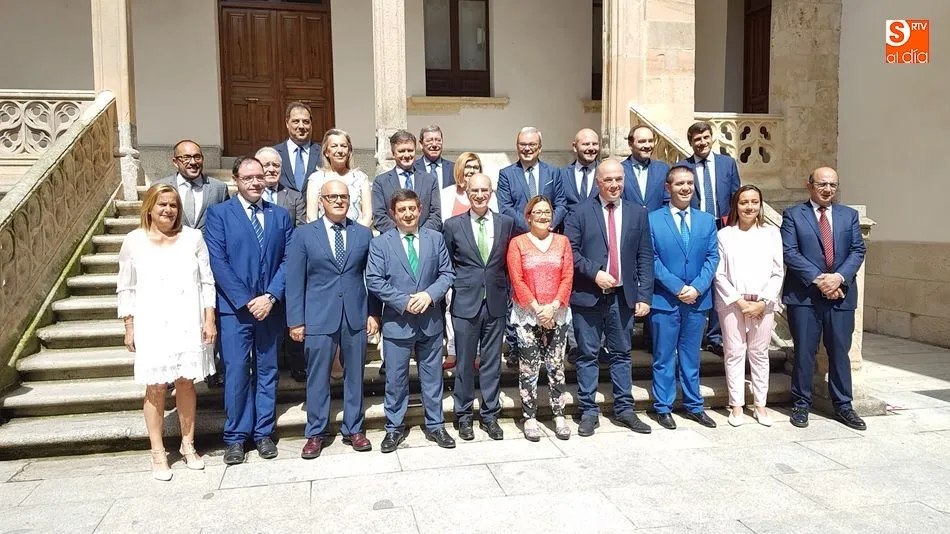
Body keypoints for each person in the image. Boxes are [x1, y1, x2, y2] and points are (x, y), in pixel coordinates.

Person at [117, 184, 216, 481]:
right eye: (162, 204)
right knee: (156, 386)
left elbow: (207, 282)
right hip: (152, 322)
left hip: (187, 320)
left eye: (173, 205)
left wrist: (209, 320)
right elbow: (126, 286)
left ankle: (188, 445)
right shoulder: (134, 241)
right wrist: (129, 326)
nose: (168, 210)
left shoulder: (193, 238)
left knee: (186, 383)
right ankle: (158, 451)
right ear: (149, 206)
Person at [205, 156, 294, 465]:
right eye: (248, 178)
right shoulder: (219, 214)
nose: (256, 182)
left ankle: (264, 432)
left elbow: (288, 259)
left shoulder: (280, 216)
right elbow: (218, 262)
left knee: (268, 370)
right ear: (236, 180)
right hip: (235, 311)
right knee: (238, 372)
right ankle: (236, 437)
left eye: (260, 177)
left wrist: (270, 296)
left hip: (270, 309)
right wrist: (246, 300)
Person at [286, 180, 381, 457]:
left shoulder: (363, 234)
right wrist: (296, 321)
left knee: (355, 376)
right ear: (321, 200)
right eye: (332, 196)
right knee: (317, 377)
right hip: (317, 316)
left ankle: (354, 428)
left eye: (344, 196)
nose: (339, 201)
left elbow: (372, 278)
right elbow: (294, 281)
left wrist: (374, 312)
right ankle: (315, 432)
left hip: (355, 316)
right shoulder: (304, 234)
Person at [564, 160, 654, 437]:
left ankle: (625, 409)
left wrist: (644, 295)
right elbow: (571, 252)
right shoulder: (579, 212)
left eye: (618, 179)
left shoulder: (638, 213)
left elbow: (645, 256)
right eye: (608, 180)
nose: (614, 185)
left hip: (623, 297)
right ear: (597, 182)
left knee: (621, 354)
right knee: (588, 354)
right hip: (588, 296)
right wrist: (594, 273)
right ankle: (588, 411)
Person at [366, 189, 456, 452]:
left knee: (432, 378)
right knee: (395, 379)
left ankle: (436, 425)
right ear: (393, 214)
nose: (408, 214)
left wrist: (429, 295)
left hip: (429, 322)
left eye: (412, 209)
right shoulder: (381, 243)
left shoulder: (435, 239)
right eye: (402, 210)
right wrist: (403, 301)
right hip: (398, 322)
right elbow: (374, 280)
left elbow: (447, 273)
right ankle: (393, 428)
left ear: (420, 210)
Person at [782, 167, 867, 431]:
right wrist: (821, 279)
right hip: (804, 296)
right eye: (822, 184)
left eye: (832, 184)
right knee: (805, 352)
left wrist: (838, 278)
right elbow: (790, 252)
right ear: (810, 186)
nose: (827, 189)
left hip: (840, 295)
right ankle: (801, 404)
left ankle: (843, 406)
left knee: (839, 352)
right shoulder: (794, 215)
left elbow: (857, 250)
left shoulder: (849, 216)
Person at [443, 174, 514, 441]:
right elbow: (447, 262)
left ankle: (490, 415)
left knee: (492, 363)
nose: (480, 194)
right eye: (475, 190)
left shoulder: (506, 223)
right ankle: (463, 416)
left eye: (485, 190)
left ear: (491, 192)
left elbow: (508, 261)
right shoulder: (452, 225)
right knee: (463, 363)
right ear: (467, 192)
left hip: (495, 303)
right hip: (465, 302)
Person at [649, 165, 720, 430]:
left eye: (690, 183)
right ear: (668, 188)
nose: (686, 188)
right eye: (679, 183)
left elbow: (713, 257)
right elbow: (651, 258)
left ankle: (694, 406)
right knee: (664, 356)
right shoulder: (653, 219)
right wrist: (678, 287)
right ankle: (663, 407)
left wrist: (698, 288)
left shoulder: (705, 220)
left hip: (697, 301)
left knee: (691, 356)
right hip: (665, 300)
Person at [713, 185, 784, 427]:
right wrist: (741, 302)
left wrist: (763, 302)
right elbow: (719, 274)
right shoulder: (725, 235)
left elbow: (777, 271)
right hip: (733, 301)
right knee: (734, 352)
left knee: (759, 353)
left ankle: (761, 405)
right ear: (736, 205)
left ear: (760, 205)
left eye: (754, 202)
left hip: (763, 302)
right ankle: (736, 405)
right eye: (744, 202)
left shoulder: (771, 234)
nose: (749, 207)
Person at [507, 196, 573, 441]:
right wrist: (538, 309)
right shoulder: (518, 243)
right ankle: (530, 416)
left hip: (557, 313)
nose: (543, 216)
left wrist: (553, 307)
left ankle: (559, 414)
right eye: (538, 212)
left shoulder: (562, 242)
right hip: (528, 314)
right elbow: (517, 279)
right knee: (529, 368)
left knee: (556, 366)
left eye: (547, 212)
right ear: (528, 216)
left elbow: (567, 277)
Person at [677, 121, 742, 356]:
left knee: (721, 278)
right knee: (696, 276)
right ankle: (692, 333)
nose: (702, 142)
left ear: (711, 137)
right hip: (693, 229)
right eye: (697, 140)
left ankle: (715, 336)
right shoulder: (682, 167)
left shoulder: (727, 164)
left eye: (705, 137)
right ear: (691, 143)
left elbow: (737, 195)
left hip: (722, 226)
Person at [440, 152, 497, 370]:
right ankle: (454, 351)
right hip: (457, 264)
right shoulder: (447, 194)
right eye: (467, 166)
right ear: (459, 170)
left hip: (482, 267)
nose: (471, 170)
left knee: (483, 311)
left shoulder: (487, 194)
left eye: (475, 166)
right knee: (451, 308)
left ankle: (478, 353)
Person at [497, 127, 567, 234]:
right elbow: (506, 208)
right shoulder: (506, 174)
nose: (527, 148)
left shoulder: (553, 172)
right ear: (517, 147)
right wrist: (532, 228)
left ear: (540, 148)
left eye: (532, 144)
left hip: (548, 235)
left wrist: (547, 225)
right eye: (523, 144)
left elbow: (561, 204)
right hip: (520, 236)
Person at [371, 130, 442, 234]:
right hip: (393, 241)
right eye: (401, 151)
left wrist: (420, 235)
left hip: (425, 239)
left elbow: (436, 214)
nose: (406, 155)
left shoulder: (430, 180)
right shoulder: (381, 182)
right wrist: (401, 234)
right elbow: (379, 216)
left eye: (410, 150)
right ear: (393, 153)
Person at [152, 140, 229, 230]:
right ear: (175, 162)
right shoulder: (159, 187)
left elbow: (226, 222)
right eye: (186, 157)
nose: (193, 162)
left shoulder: (219, 188)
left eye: (197, 157)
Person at [305, 128, 373, 228]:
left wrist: (359, 236)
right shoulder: (316, 179)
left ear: (349, 151)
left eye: (343, 146)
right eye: (334, 146)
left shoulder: (361, 178)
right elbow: (311, 217)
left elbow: (368, 215)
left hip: (356, 235)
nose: (339, 150)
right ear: (326, 152)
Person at [274, 101, 322, 196]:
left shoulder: (323, 153)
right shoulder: (274, 153)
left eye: (306, 122)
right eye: (296, 121)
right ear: (287, 123)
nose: (301, 126)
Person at [621, 125, 671, 211]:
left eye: (650, 141)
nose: (647, 146)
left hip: (656, 222)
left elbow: (668, 201)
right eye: (642, 141)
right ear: (630, 144)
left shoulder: (663, 169)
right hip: (630, 223)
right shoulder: (620, 169)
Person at [257, 146, 306, 227]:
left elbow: (300, 230)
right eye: (266, 165)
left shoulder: (294, 197)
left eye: (276, 165)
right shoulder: (248, 195)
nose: (272, 170)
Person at [561, 128, 601, 215]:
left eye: (595, 144)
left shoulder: (605, 173)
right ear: (575, 147)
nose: (591, 148)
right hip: (570, 226)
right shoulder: (562, 174)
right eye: (586, 144)